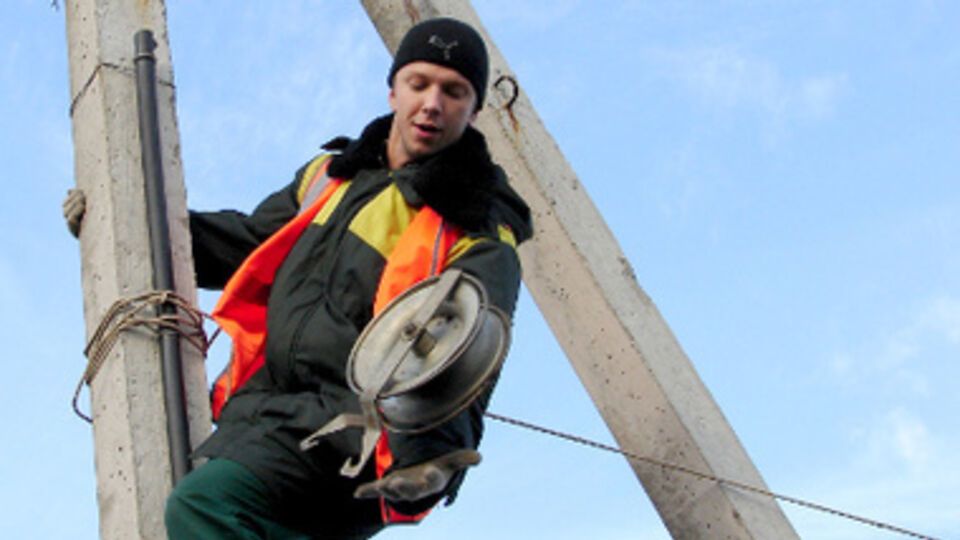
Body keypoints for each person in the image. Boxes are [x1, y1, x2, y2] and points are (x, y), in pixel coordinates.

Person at [159, 17, 530, 539]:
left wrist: (431, 461)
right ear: (393, 90)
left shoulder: (478, 223)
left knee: (203, 505)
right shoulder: (328, 178)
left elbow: (466, 353)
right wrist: (131, 217)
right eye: (419, 83)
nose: (432, 104)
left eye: (454, 92)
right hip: (268, 410)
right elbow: (248, 244)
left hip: (356, 433)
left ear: (474, 111)